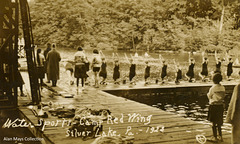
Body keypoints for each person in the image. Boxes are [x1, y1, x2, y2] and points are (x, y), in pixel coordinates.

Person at [207, 73, 225, 142]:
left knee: (213, 122)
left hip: (213, 106)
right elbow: (223, 96)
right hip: (220, 106)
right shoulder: (222, 87)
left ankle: (214, 137)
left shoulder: (213, 88)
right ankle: (220, 136)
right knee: (219, 122)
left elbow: (209, 96)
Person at [225, 78, 240, 144]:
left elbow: (235, 102)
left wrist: (232, 116)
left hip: (238, 113)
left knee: (236, 130)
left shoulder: (238, 87)